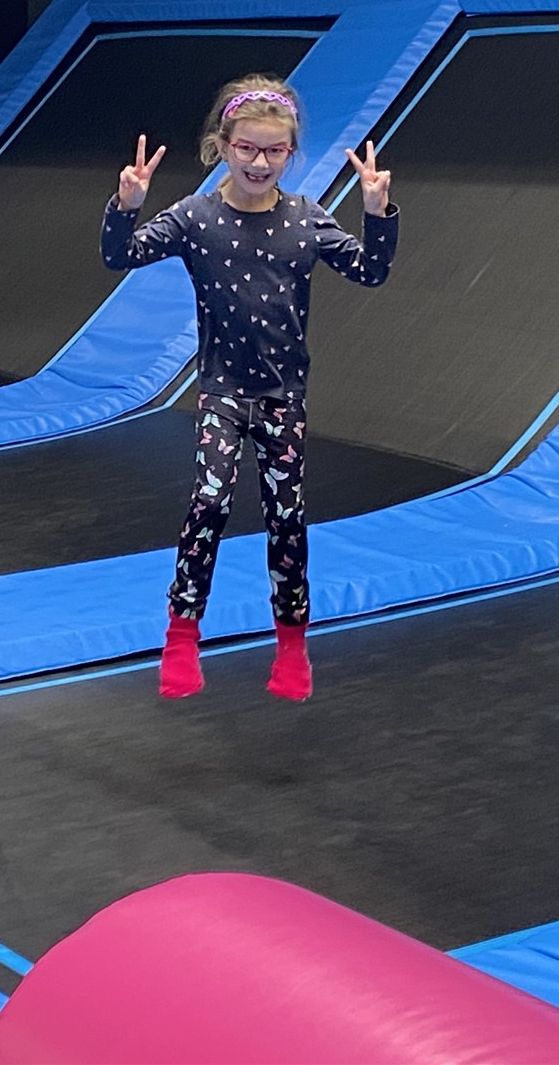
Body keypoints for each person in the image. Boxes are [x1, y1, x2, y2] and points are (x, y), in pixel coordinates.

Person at [101, 75, 396, 702]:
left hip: (283, 396)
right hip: (222, 391)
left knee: (286, 517)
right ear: (222, 145)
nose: (260, 163)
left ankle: (291, 644)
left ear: (291, 152)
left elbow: (371, 272)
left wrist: (377, 215)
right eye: (247, 148)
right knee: (209, 503)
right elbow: (119, 256)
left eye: (274, 151)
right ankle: (182, 635)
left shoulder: (305, 219)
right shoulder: (196, 218)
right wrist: (127, 204)